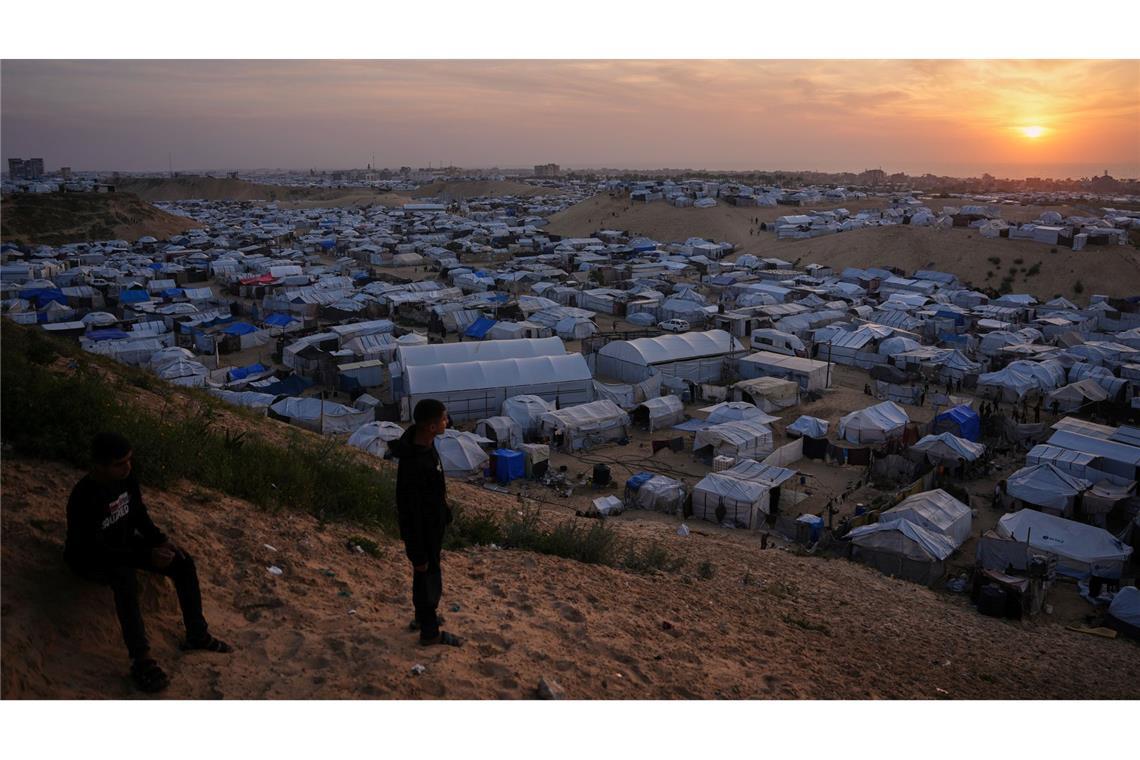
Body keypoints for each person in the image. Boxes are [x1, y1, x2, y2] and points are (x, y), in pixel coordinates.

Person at [65, 433, 232, 694]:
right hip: (90, 557)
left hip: (123, 544)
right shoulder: (84, 497)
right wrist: (143, 556)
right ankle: (141, 659)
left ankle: (197, 634)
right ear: (99, 466)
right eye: (120, 463)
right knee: (125, 577)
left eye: (129, 460)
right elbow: (94, 548)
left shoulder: (126, 479)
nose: (127, 467)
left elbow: (139, 514)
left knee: (183, 562)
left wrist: (160, 541)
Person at [389, 399, 462, 647]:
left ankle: (422, 618)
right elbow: (409, 510)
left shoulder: (423, 445)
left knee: (425, 575)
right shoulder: (414, 464)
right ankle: (430, 632)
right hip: (422, 534)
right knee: (428, 577)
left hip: (432, 526)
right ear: (431, 426)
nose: (447, 421)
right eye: (443, 418)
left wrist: (444, 511)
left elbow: (432, 495)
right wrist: (416, 550)